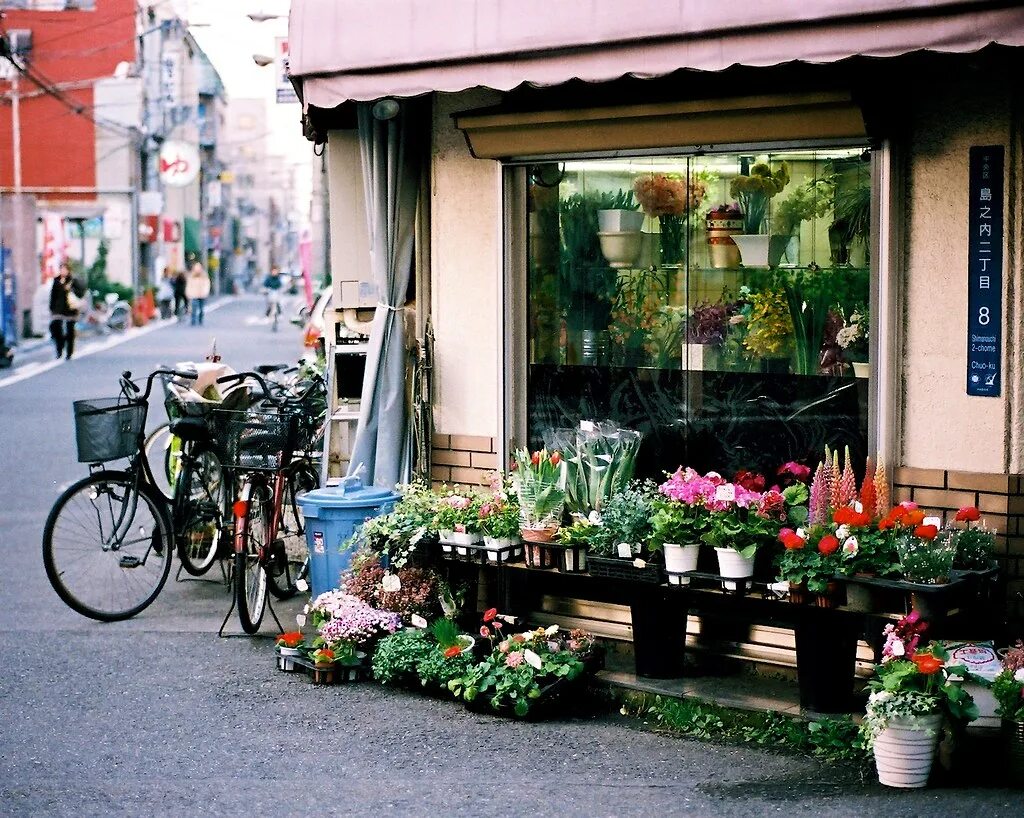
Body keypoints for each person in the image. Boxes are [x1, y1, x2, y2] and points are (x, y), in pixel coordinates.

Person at [49, 262, 86, 360]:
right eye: (61, 269)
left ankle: (69, 352)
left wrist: (71, 289)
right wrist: (51, 308)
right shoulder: (56, 280)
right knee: (55, 327)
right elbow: (53, 295)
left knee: (70, 331)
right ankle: (59, 349)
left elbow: (81, 293)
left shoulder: (73, 280)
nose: (63, 271)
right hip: (58, 309)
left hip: (71, 309)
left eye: (65, 269)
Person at [185, 260, 211, 326]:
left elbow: (207, 284)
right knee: (194, 308)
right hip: (194, 295)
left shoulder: (204, 275)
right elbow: (189, 285)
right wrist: (188, 293)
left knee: (201, 309)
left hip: (202, 294)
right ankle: (193, 321)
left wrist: (205, 292)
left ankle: (200, 320)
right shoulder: (191, 276)